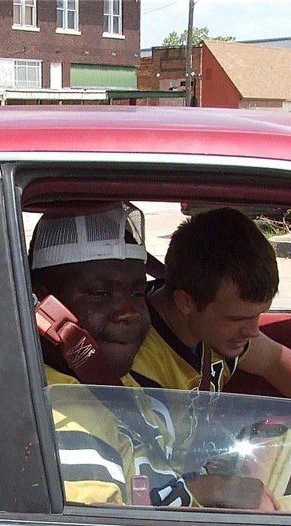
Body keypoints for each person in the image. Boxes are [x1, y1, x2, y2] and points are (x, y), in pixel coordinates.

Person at [31, 203, 196, 508]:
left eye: (137, 294)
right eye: (100, 294)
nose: (129, 313)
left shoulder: (118, 385)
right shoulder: (67, 431)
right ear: (44, 307)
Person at [131, 207, 291, 401]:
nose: (253, 331)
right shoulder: (138, 364)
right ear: (186, 302)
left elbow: (276, 363)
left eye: (258, 315)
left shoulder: (210, 328)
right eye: (238, 319)